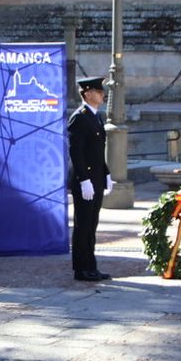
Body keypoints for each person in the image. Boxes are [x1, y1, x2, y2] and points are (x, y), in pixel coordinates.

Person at [67, 76, 112, 282]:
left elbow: (97, 151)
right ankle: (81, 268)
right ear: (87, 94)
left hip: (95, 179)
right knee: (83, 224)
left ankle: (91, 265)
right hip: (85, 180)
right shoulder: (80, 117)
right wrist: (84, 179)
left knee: (91, 224)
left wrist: (106, 173)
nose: (103, 94)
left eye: (102, 91)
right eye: (98, 91)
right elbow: (76, 152)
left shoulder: (96, 116)